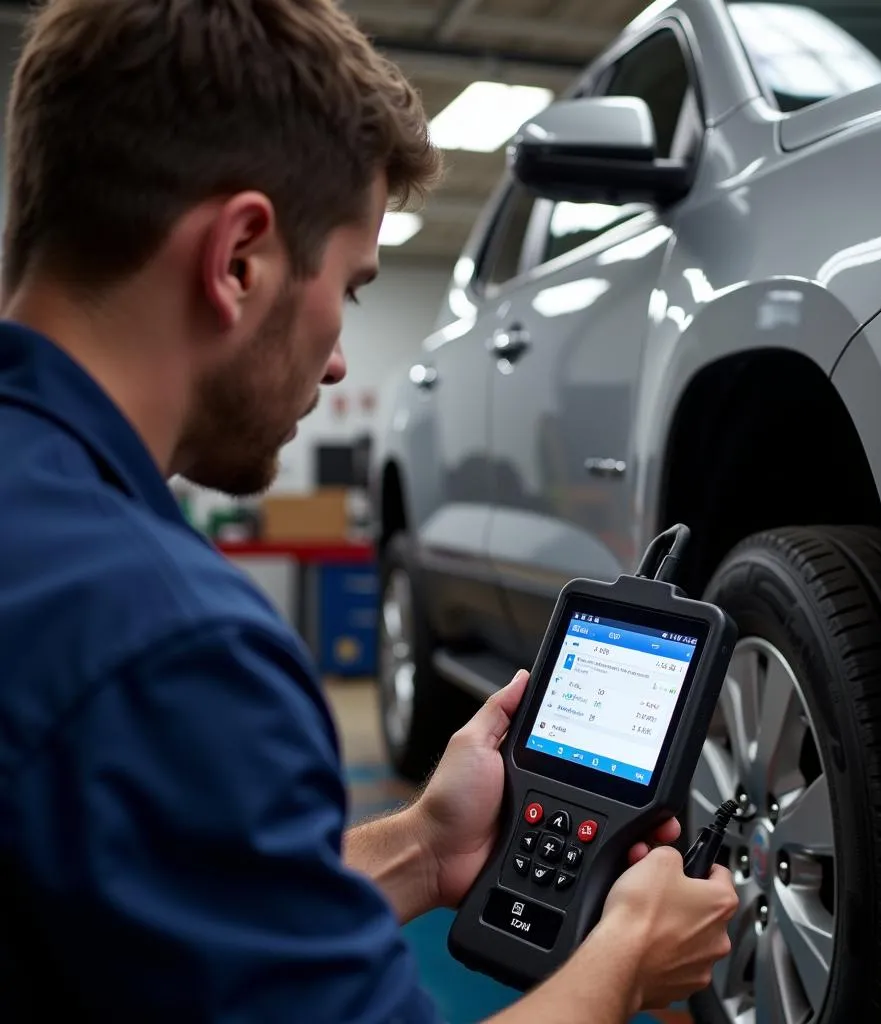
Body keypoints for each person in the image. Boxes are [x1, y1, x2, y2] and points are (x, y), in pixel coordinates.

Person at [0, 1, 739, 1021]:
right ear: (240, 258)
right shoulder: (171, 647)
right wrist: (624, 955)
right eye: (350, 289)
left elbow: (177, 896)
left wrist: (425, 846)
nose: (343, 357)